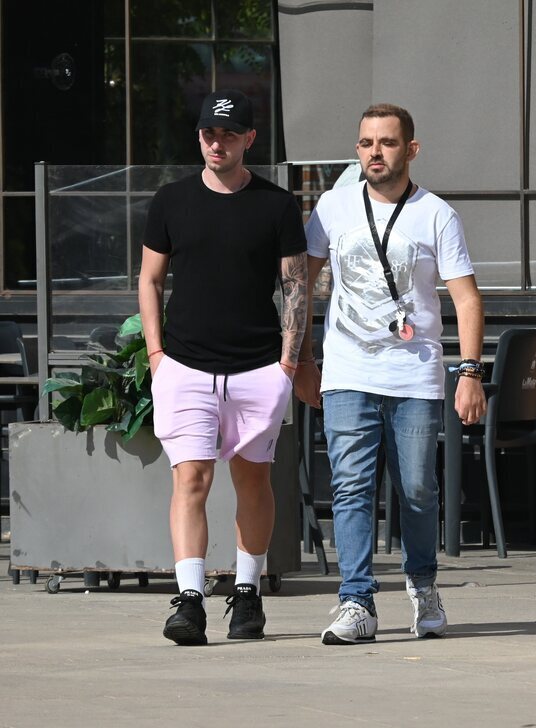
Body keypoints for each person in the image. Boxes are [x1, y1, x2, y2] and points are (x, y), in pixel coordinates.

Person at [294, 103, 486, 644]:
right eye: (365, 143)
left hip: (415, 376)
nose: (375, 152)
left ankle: (422, 585)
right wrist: (302, 360)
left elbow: (467, 300)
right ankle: (356, 602)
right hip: (348, 373)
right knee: (351, 488)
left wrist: (469, 372)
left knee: (418, 491)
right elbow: (300, 288)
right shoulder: (332, 208)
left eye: (387, 142)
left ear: (411, 149)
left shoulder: (436, 215)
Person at [139, 89, 308, 645]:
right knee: (191, 476)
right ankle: (189, 600)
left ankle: (248, 592)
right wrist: (156, 354)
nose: (218, 143)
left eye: (229, 134)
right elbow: (150, 280)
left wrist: (287, 361)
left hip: (259, 365)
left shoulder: (277, 204)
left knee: (252, 478)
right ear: (200, 138)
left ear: (249, 139)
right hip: (184, 364)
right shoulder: (171, 200)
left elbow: (295, 286)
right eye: (210, 134)